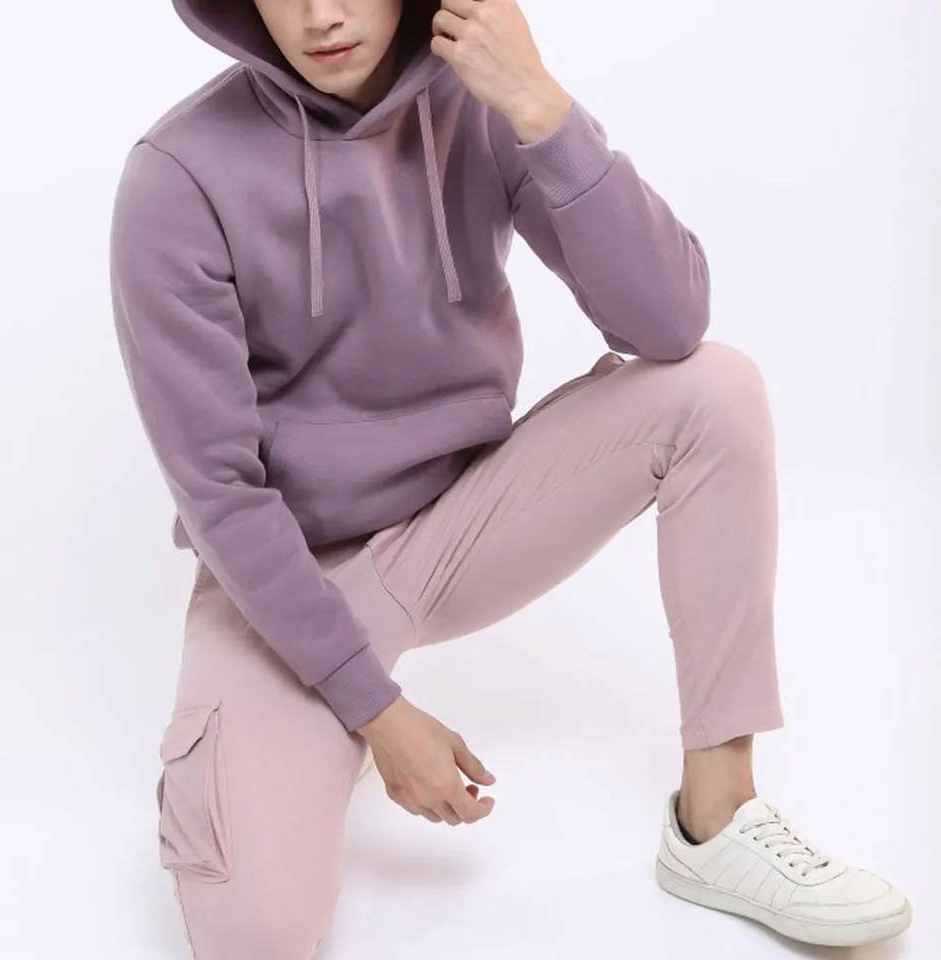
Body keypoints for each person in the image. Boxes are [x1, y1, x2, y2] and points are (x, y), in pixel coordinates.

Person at [109, 1, 912, 955]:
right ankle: (300, 735)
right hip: (288, 575)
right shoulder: (177, 176)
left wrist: (539, 105)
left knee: (714, 390)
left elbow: (670, 324)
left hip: (463, 525)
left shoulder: (479, 101)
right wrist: (376, 712)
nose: (322, 14)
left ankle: (719, 814)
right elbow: (221, 494)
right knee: (255, 937)